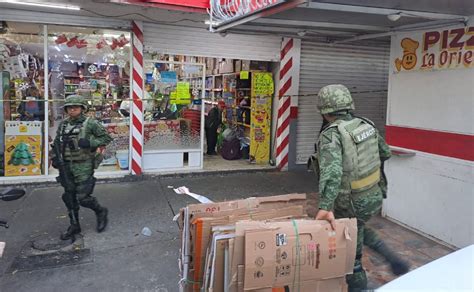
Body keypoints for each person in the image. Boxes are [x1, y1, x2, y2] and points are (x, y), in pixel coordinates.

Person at [314, 84, 409, 291]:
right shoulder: (366, 124)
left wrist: (325, 206)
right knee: (358, 229)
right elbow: (385, 153)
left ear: (324, 109)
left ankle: (360, 288)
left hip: (352, 202)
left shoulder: (332, 134)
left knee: (351, 256)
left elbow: (332, 172)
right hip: (374, 195)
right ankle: (391, 257)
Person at [51, 95, 113, 241]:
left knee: (83, 197)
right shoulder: (64, 124)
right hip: (66, 165)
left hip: (83, 164)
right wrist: (55, 158)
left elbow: (106, 138)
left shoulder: (90, 123)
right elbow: (57, 143)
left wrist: (90, 142)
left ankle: (100, 211)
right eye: (70, 107)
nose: (72, 110)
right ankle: (74, 224)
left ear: (82, 108)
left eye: (76, 107)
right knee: (69, 196)